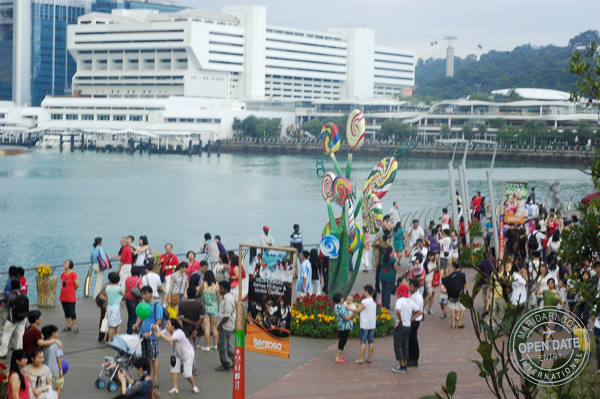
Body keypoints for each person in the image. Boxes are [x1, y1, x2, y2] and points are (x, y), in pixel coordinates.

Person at [153, 319, 200, 394]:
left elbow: (169, 339)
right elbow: (157, 335)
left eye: (168, 324)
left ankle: (194, 386)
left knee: (187, 374)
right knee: (173, 370)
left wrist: (158, 330)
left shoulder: (179, 332)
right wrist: (153, 331)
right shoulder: (167, 330)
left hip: (188, 354)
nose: (166, 326)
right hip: (177, 353)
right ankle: (175, 388)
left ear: (173, 326)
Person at [132, 286, 162, 386]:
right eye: (142, 294)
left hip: (152, 336)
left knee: (154, 358)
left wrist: (150, 332)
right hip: (142, 335)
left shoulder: (156, 305)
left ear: (151, 293)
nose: (143, 296)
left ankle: (156, 378)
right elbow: (143, 317)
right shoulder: (144, 305)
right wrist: (138, 324)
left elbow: (159, 321)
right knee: (146, 358)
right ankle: (149, 376)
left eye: (145, 294)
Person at [392, 284, 420, 374]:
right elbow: (419, 311)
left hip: (401, 326)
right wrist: (411, 319)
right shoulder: (410, 301)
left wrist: (400, 320)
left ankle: (402, 366)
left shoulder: (399, 301)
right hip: (408, 326)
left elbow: (398, 311)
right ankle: (404, 365)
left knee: (398, 345)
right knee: (405, 345)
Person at [0, 280, 26, 359]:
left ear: (11, 287)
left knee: (6, 335)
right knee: (20, 336)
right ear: (19, 286)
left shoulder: (11, 296)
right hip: (22, 318)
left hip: (12, 319)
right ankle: (19, 351)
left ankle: (2, 353)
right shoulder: (24, 295)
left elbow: (7, 307)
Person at [215, 281, 236, 371]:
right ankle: (235, 358)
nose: (220, 290)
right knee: (226, 344)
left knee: (222, 345)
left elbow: (226, 316)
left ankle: (225, 363)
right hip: (227, 325)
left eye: (221, 288)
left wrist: (220, 325)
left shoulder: (228, 300)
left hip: (226, 326)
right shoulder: (227, 298)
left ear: (226, 289)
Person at [354, 285, 376, 364]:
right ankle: (369, 358)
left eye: (364, 291)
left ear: (367, 291)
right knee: (371, 341)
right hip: (372, 324)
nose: (363, 292)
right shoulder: (373, 301)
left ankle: (361, 358)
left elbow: (358, 310)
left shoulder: (365, 301)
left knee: (363, 341)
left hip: (365, 324)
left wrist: (350, 308)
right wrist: (357, 304)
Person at [332, 293, 356, 364]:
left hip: (343, 326)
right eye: (342, 298)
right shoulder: (339, 307)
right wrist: (353, 314)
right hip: (344, 327)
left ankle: (340, 355)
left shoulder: (338, 306)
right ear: (339, 299)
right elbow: (346, 317)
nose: (343, 299)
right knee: (342, 341)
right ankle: (338, 357)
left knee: (342, 340)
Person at [41, 325, 63, 398]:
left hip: (45, 369)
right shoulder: (56, 345)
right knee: (58, 388)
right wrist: (60, 369)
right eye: (57, 332)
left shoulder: (44, 344)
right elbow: (58, 358)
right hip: (55, 370)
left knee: (48, 389)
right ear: (53, 333)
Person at [199, 271, 219, 351]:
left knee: (206, 327)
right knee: (214, 327)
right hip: (214, 307)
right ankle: (215, 345)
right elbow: (217, 298)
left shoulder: (202, 284)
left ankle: (207, 346)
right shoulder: (217, 286)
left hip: (205, 307)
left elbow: (201, 293)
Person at [101, 272, 124, 343]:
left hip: (109, 307)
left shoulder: (107, 288)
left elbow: (107, 298)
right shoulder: (118, 288)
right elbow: (123, 294)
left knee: (115, 324)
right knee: (114, 326)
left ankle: (112, 338)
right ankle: (110, 340)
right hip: (116, 308)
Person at [446, 261, 468, 329]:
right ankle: (460, 322)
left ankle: (453, 324)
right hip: (461, 293)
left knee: (453, 308)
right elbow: (465, 284)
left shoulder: (451, 275)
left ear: (453, 267)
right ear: (460, 266)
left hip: (452, 293)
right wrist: (467, 291)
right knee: (463, 308)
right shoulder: (463, 275)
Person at [59, 260, 79, 334]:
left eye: (66, 263)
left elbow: (77, 284)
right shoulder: (62, 274)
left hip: (70, 296)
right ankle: (68, 325)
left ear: (70, 265)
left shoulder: (73, 274)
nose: (64, 264)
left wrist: (72, 290)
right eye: (64, 263)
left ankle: (75, 327)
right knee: (66, 311)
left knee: (72, 311)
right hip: (63, 296)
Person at [407, 280, 424, 368]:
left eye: (411, 286)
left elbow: (416, 311)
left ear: (416, 287)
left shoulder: (417, 297)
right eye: (409, 286)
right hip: (412, 320)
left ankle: (414, 358)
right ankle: (410, 357)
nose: (410, 288)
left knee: (413, 339)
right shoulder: (412, 296)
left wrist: (410, 320)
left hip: (415, 320)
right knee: (410, 339)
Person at [124, 267, 143, 334]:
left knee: (130, 316)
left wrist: (125, 298)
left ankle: (129, 330)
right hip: (135, 300)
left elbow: (125, 290)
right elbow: (141, 288)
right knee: (133, 317)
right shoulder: (139, 279)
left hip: (128, 299)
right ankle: (131, 331)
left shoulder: (127, 279)